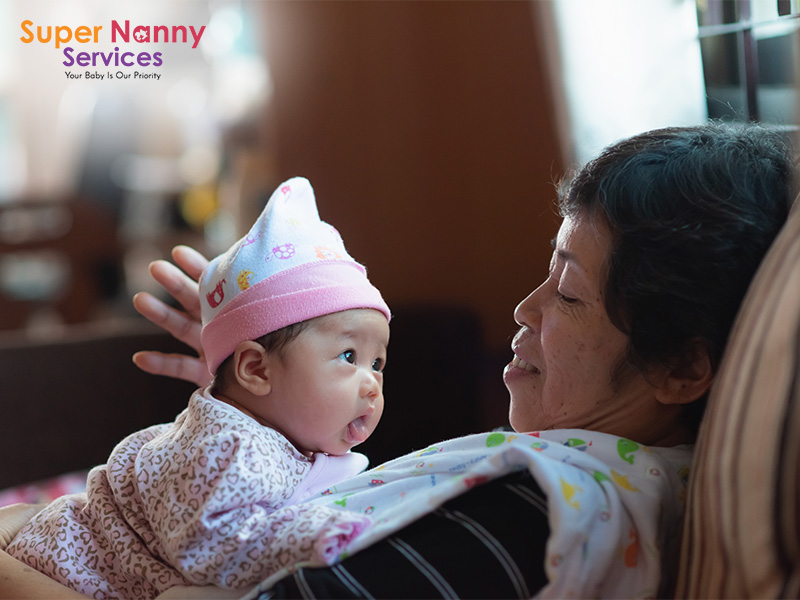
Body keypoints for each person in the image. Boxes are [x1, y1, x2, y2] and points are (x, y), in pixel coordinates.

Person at [0, 123, 794, 599]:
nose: (524, 310)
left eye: (570, 296)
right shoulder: (620, 479)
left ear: (684, 368)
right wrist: (256, 414)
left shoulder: (534, 515)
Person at [3, 177, 392, 599]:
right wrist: (313, 533)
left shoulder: (274, 435)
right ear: (256, 370)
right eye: (349, 357)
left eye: (378, 363)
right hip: (61, 566)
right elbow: (211, 546)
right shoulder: (232, 447)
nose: (372, 383)